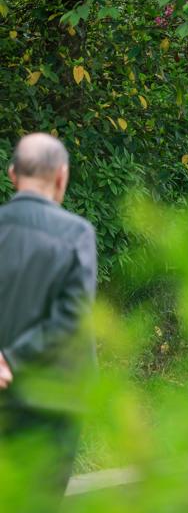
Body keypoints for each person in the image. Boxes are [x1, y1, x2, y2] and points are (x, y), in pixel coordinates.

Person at [0, 133, 98, 505]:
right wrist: (13, 357)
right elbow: (71, 318)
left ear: (13, 174)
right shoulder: (76, 234)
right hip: (54, 398)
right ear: (61, 176)